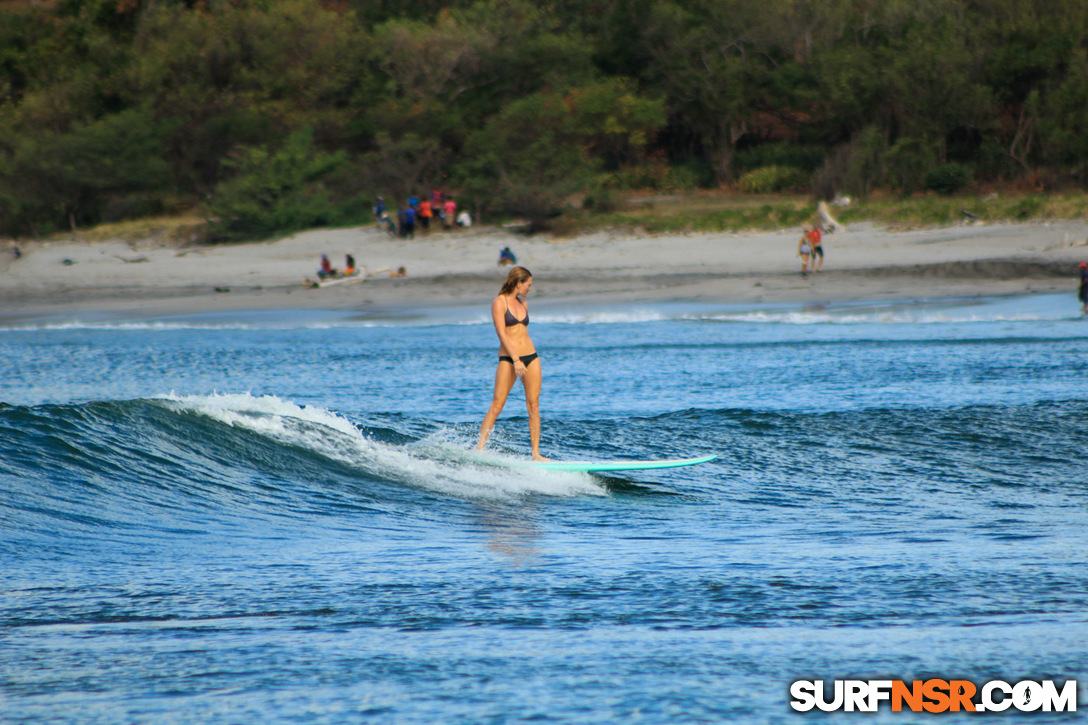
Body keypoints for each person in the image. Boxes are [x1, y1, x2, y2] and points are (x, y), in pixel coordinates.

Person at [477, 266, 548, 461]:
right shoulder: (499, 302)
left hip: (531, 357)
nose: (530, 289)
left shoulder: (524, 303)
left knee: (534, 405)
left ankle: (535, 453)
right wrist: (516, 359)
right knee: (497, 405)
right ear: (519, 283)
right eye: (528, 285)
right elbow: (501, 333)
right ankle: (480, 449)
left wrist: (523, 358)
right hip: (509, 359)